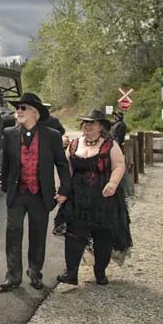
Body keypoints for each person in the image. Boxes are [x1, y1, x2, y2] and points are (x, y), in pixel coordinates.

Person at [0, 92, 71, 291]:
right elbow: (6, 163)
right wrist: (6, 186)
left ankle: (35, 272)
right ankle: (12, 276)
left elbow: (62, 165)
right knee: (13, 232)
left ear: (35, 113)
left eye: (23, 108)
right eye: (18, 108)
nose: (18, 111)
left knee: (37, 234)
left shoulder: (52, 136)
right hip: (17, 193)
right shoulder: (9, 134)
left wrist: (64, 190)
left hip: (40, 194)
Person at [55, 109, 132, 286]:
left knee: (102, 236)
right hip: (77, 199)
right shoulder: (74, 144)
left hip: (103, 198)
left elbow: (119, 166)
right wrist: (63, 190)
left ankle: (100, 272)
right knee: (74, 235)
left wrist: (112, 183)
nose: (87, 126)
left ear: (101, 127)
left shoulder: (110, 145)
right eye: (85, 123)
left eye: (92, 123)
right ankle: (71, 273)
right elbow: (66, 169)